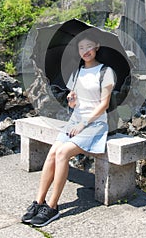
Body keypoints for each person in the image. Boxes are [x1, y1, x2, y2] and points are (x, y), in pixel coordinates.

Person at [21, 33, 115, 227]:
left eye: (89, 46)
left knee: (63, 152)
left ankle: (53, 207)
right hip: (75, 120)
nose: (85, 51)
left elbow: (104, 105)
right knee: (52, 152)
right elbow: (75, 104)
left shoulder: (106, 71)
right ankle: (39, 202)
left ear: (96, 46)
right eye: (81, 48)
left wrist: (84, 124)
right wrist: (72, 102)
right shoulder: (78, 72)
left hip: (95, 124)